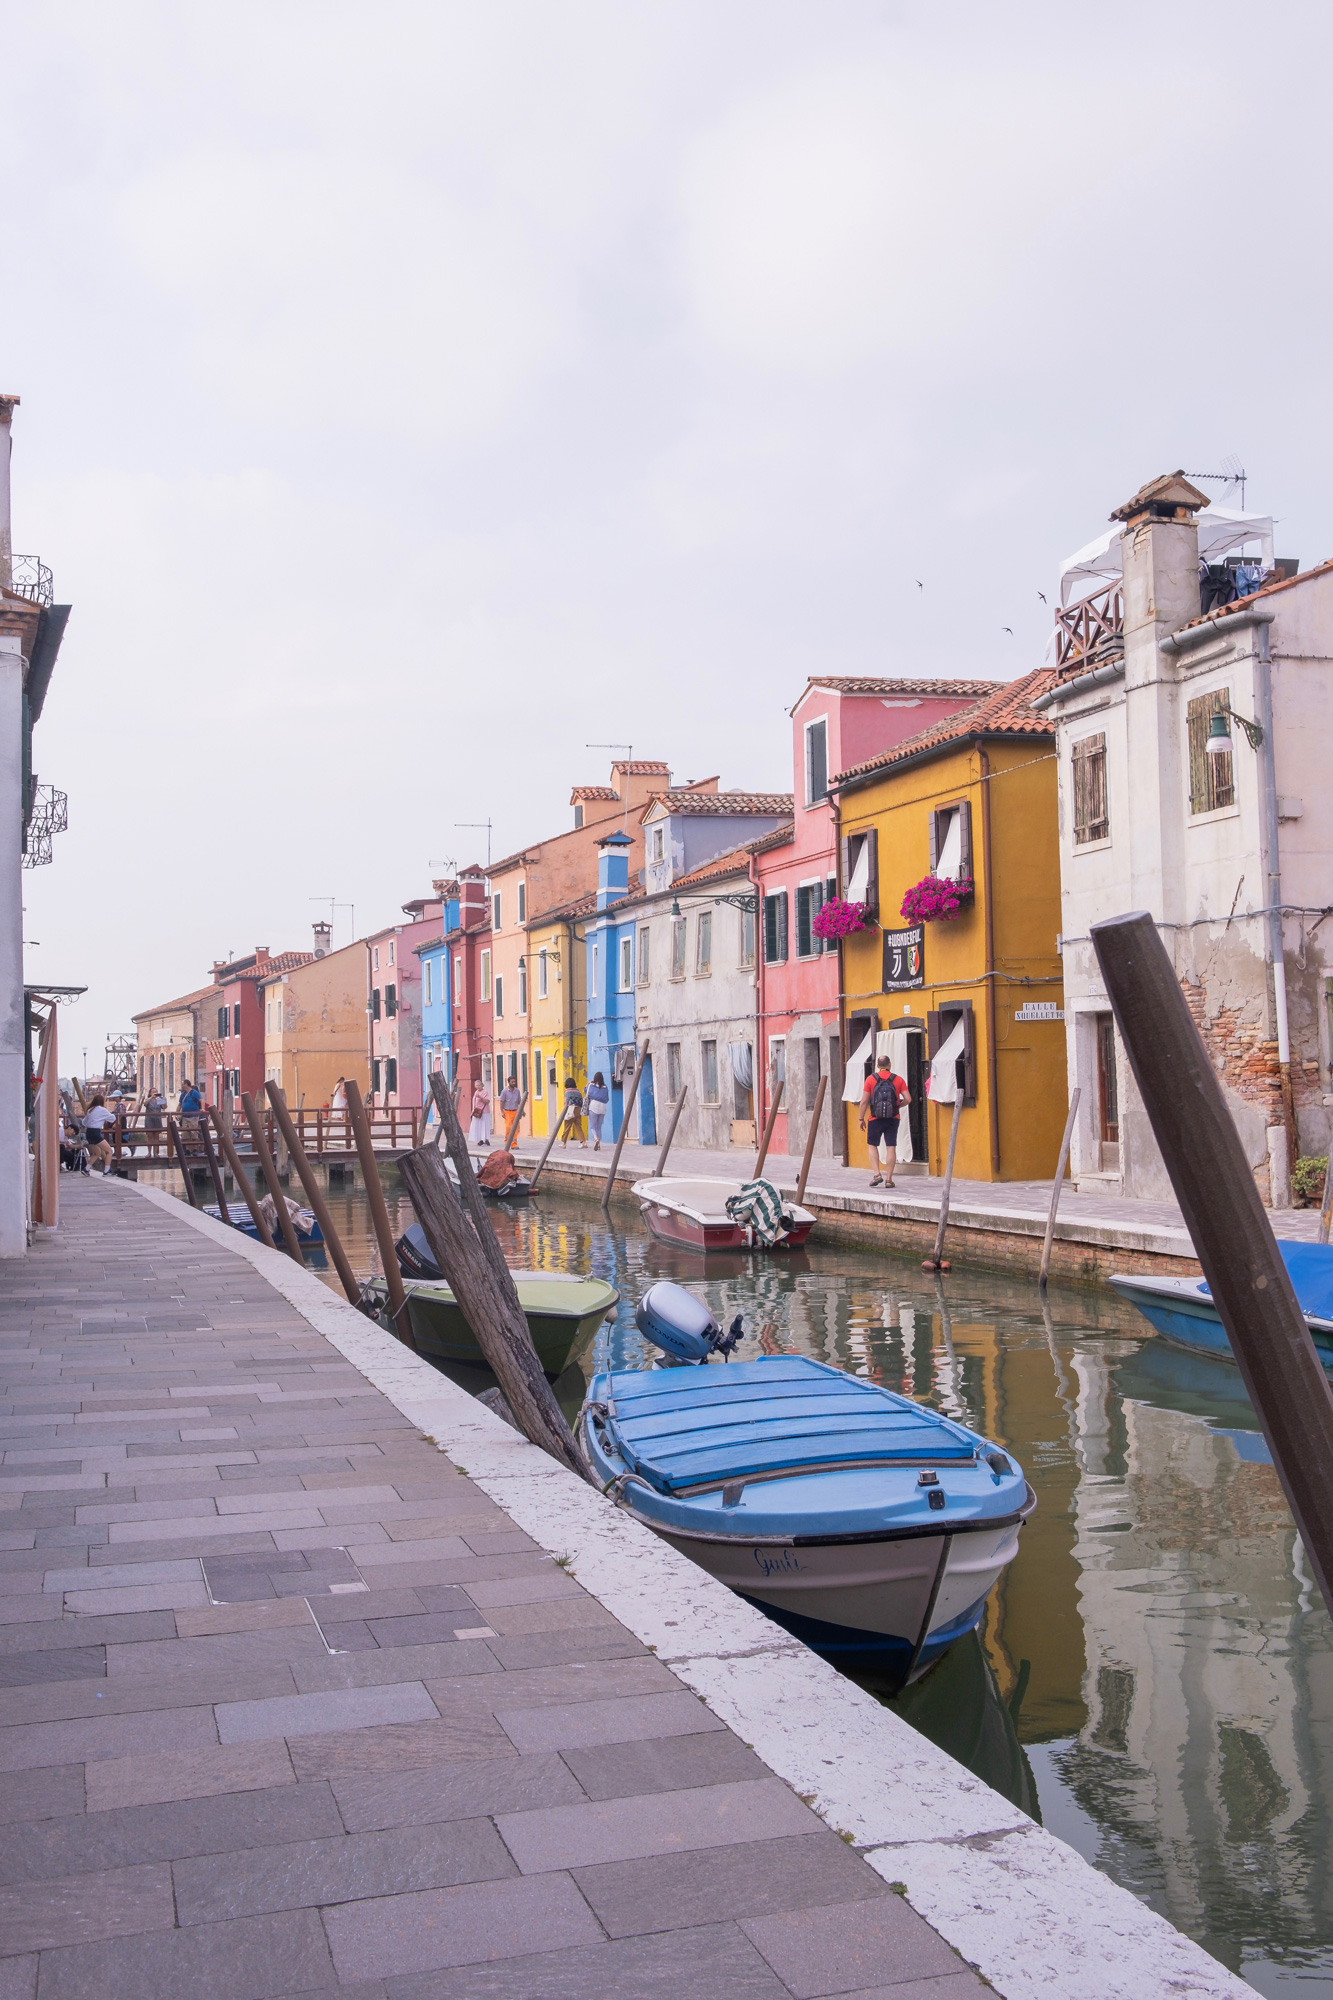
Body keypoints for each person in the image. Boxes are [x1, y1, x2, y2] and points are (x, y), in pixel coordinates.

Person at [859, 1056, 909, 1189]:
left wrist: (860, 1118)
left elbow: (864, 1101)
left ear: (877, 1066)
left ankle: (877, 1174)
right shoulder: (898, 1079)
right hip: (893, 1118)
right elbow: (908, 1099)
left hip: (875, 1118)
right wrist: (897, 1107)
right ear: (889, 1064)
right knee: (891, 1147)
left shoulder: (870, 1079)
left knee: (872, 1145)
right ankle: (889, 1179)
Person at [83, 1094, 116, 1175]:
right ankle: (106, 1171)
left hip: (88, 1132)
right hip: (96, 1132)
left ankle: (86, 1169)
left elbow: (84, 1122)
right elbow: (112, 1119)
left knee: (97, 1153)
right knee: (109, 1151)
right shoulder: (102, 1110)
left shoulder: (90, 1110)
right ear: (102, 1101)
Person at [585, 1071, 610, 1151]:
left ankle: (596, 1139)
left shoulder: (591, 1086)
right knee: (599, 1127)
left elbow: (585, 1091)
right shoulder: (605, 1087)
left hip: (593, 1106)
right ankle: (599, 1145)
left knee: (593, 1126)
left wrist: (588, 1083)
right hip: (602, 1107)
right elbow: (607, 1099)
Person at [561, 1077, 584, 1146]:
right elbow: (581, 1101)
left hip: (571, 1109)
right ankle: (583, 1142)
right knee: (578, 1126)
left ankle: (563, 1143)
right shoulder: (578, 1091)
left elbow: (566, 1102)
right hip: (578, 1109)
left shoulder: (567, 1091)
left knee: (567, 1126)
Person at [498, 1073, 522, 1139]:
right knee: (508, 1127)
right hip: (507, 1111)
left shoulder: (517, 1091)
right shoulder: (504, 1091)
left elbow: (519, 1101)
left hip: (515, 1111)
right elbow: (501, 1101)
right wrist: (502, 1112)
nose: (514, 1083)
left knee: (516, 1128)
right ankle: (507, 1142)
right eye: (512, 1082)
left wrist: (521, 1111)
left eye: (514, 1082)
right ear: (509, 1082)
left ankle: (514, 1143)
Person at [468, 1081, 491, 1148]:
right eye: (476, 1085)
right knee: (478, 1125)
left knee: (485, 1125)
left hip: (484, 1111)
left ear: (482, 1085)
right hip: (477, 1112)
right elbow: (474, 1102)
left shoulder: (485, 1092)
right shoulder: (476, 1092)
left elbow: (487, 1101)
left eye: (479, 1085)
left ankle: (486, 1139)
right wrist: (473, 1111)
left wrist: (480, 1097)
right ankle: (480, 1139)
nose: (478, 1087)